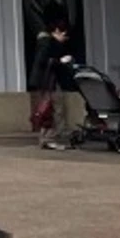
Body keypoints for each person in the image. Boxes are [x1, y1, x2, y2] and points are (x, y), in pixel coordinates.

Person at [28, 18, 82, 150]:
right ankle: (51, 138)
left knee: (46, 110)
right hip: (48, 82)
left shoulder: (46, 42)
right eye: (64, 34)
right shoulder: (48, 43)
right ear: (57, 31)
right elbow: (44, 61)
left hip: (45, 81)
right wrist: (61, 61)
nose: (65, 38)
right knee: (54, 109)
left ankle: (45, 139)